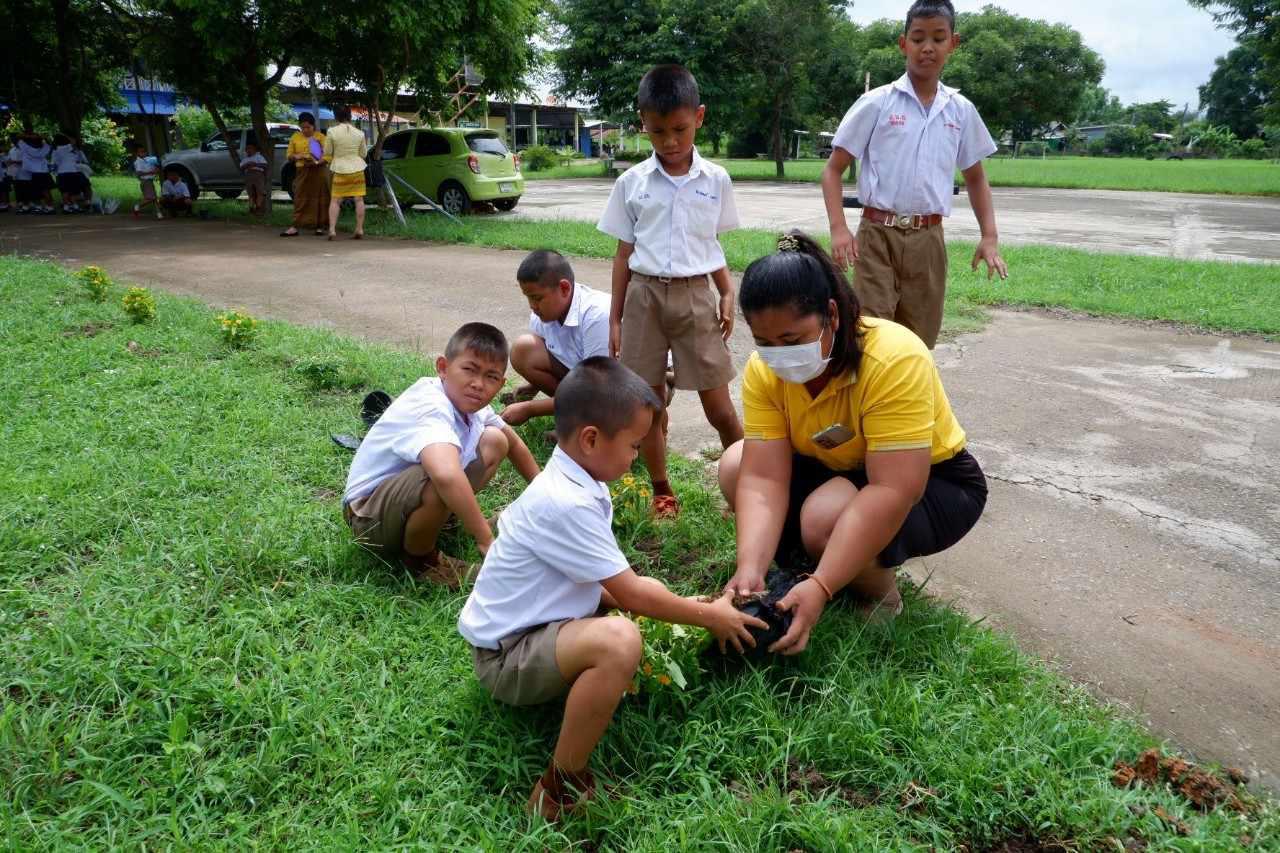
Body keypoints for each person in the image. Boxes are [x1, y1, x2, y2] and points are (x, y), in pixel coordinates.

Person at [458, 356, 767, 821]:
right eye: (634, 445)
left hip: (535, 631)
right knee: (619, 640)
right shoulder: (566, 502)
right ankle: (557, 787)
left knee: (645, 596)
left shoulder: (577, 480)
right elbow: (631, 596)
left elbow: (610, 584)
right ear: (591, 439)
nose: (637, 456)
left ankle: (584, 705)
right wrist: (710, 615)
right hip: (507, 658)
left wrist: (683, 603)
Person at [717, 231, 988, 655]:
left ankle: (879, 593)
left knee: (823, 520)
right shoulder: (763, 372)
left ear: (831, 314)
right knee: (736, 463)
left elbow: (896, 488)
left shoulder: (893, 356)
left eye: (791, 341)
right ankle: (827, 561)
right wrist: (749, 569)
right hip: (838, 467)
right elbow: (764, 476)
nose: (779, 355)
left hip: (933, 484)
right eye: (765, 343)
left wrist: (822, 587)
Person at [597, 64, 743, 519]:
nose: (670, 141)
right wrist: (616, 318)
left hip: (697, 297)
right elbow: (624, 254)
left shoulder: (715, 179)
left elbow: (709, 242)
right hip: (643, 298)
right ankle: (662, 488)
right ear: (643, 124)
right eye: (658, 131)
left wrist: (726, 290)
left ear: (699, 117)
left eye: (679, 129)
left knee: (718, 405)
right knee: (648, 405)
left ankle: (750, 481)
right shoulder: (632, 183)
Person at [821, 0, 1007, 350]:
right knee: (871, 335)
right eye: (918, 38)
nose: (928, 47)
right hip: (877, 236)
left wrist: (990, 236)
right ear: (903, 43)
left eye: (938, 38)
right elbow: (833, 170)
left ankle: (908, 404)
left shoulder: (960, 110)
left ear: (953, 44)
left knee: (918, 342)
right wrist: (839, 229)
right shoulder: (878, 103)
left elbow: (976, 177)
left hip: (929, 239)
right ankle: (867, 403)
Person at [343, 322, 540, 587]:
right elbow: (446, 475)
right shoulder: (431, 406)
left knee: (496, 440)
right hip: (367, 517)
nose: (478, 384)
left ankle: (436, 522)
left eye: (491, 377)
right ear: (443, 368)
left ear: (502, 383)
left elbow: (515, 445)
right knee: (439, 476)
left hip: (398, 503)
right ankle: (422, 561)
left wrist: (546, 496)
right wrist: (485, 538)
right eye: (469, 370)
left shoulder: (471, 404)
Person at [499, 249, 612, 435]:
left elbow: (598, 389)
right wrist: (531, 388)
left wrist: (530, 409)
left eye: (537, 298)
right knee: (523, 350)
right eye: (528, 297)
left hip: (624, 384)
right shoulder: (542, 315)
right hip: (586, 376)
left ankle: (596, 425)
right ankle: (578, 414)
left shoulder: (598, 316)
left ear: (565, 288)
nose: (532, 306)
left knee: (600, 398)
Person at [323, 104, 368, 240]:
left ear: (336, 116)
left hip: (339, 169)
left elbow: (327, 152)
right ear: (350, 115)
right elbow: (364, 153)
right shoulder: (359, 133)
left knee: (335, 200)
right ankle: (359, 229)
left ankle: (332, 230)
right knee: (359, 199)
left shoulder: (331, 132)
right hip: (357, 169)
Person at [280, 112, 329, 236]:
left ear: (314, 126)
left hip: (318, 171)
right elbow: (289, 155)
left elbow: (327, 155)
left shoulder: (320, 137)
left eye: (308, 127)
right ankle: (295, 226)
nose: (306, 130)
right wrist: (298, 156)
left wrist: (318, 161)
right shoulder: (295, 137)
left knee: (320, 198)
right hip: (302, 170)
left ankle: (320, 226)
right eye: (303, 127)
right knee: (300, 197)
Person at [16, 131, 54, 214]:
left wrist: (27, 136)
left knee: (35, 191)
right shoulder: (44, 148)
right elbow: (49, 144)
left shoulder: (25, 148)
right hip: (44, 172)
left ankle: (39, 206)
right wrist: (42, 137)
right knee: (46, 191)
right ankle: (50, 207)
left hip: (34, 173)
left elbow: (19, 138)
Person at [51, 134, 90, 213]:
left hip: (61, 173)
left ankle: (66, 207)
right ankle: (74, 206)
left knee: (65, 191)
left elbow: (54, 163)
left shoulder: (55, 150)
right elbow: (74, 142)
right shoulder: (68, 147)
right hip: (72, 171)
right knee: (73, 191)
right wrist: (66, 136)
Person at [132, 144, 162, 220]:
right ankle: (137, 206)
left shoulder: (149, 159)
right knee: (151, 198)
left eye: (144, 151)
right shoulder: (138, 162)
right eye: (140, 152)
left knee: (154, 199)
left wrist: (156, 170)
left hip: (150, 180)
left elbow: (156, 168)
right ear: (137, 153)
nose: (143, 153)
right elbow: (138, 173)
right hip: (145, 181)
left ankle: (159, 213)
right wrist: (150, 172)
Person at [239, 140, 268, 216]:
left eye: (250, 148)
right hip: (248, 174)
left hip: (258, 174)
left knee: (259, 192)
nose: (248, 150)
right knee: (251, 193)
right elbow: (241, 167)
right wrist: (246, 165)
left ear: (255, 149)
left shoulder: (259, 157)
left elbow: (265, 165)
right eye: (247, 149)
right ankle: (251, 208)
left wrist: (256, 164)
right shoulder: (245, 159)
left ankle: (258, 208)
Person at [2, 134, 20, 213]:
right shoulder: (11, 150)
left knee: (5, 189)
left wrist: (11, 162)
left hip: (18, 172)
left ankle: (7, 204)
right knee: (13, 188)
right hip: (11, 172)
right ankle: (8, 203)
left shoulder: (20, 149)